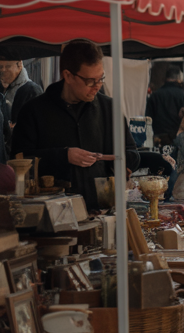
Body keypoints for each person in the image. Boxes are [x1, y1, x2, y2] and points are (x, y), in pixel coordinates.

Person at [12, 39, 140, 212]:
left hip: (103, 210)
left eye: (100, 78)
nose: (97, 86)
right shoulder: (33, 111)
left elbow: (132, 152)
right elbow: (19, 161)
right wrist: (64, 156)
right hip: (52, 214)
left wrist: (122, 163)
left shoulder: (109, 108)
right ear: (68, 76)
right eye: (90, 81)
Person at [146, 65, 184, 147]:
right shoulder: (182, 94)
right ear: (179, 77)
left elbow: (148, 117)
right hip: (177, 137)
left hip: (158, 138)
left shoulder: (155, 95)